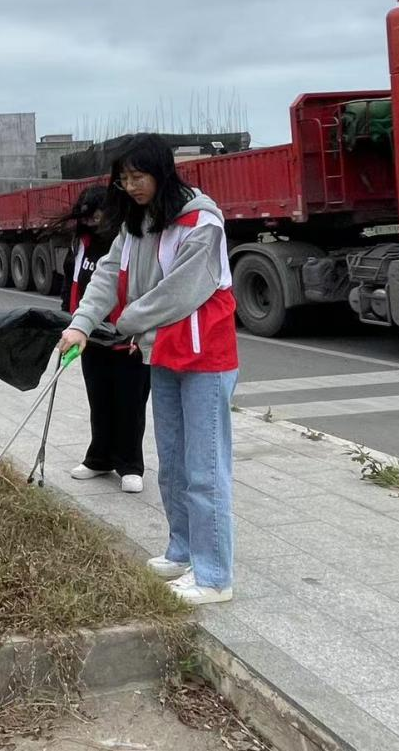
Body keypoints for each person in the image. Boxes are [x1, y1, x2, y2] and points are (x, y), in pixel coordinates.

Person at [58, 135, 239, 605]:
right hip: (162, 354)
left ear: (162, 171)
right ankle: (181, 551)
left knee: (205, 469)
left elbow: (180, 291)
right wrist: (81, 325)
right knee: (173, 466)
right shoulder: (136, 224)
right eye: (124, 178)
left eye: (139, 176)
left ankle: (214, 575)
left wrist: (126, 321)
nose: (131, 186)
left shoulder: (203, 222)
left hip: (204, 358)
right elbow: (104, 277)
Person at [57, 186, 150, 495]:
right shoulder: (81, 243)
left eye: (100, 211)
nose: (94, 217)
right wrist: (70, 321)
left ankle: (130, 465)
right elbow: (73, 281)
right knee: (99, 400)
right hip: (91, 338)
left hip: (128, 338)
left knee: (130, 404)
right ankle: (99, 458)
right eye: (89, 212)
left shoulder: (129, 242)